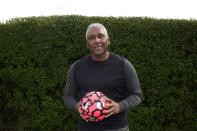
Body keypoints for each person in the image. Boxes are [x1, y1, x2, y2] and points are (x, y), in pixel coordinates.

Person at [63, 23, 142, 131]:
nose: (97, 40)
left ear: (108, 40)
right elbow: (68, 96)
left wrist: (119, 106)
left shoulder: (123, 65)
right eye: (91, 38)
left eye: (101, 36)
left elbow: (136, 95)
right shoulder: (77, 67)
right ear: (87, 44)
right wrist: (78, 106)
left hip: (117, 127)